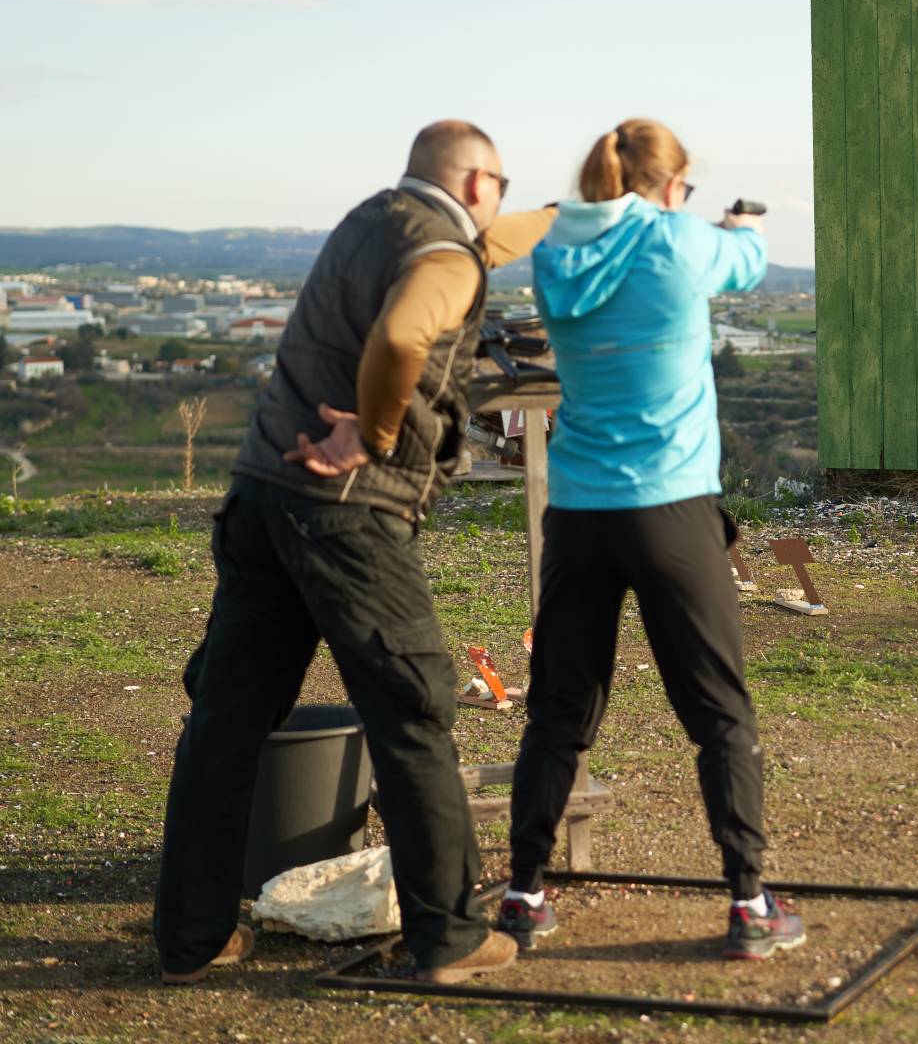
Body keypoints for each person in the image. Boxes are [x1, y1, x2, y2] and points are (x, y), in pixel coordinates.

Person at [153, 121, 549, 985]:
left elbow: (487, 244)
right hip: (345, 510)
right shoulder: (445, 257)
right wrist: (369, 436)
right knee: (413, 710)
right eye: (506, 187)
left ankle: (193, 937)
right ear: (480, 182)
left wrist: (576, 212)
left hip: (263, 495)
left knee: (228, 717)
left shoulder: (376, 219)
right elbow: (406, 338)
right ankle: (448, 935)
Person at [500, 119, 802, 960]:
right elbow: (745, 262)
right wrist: (738, 227)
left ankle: (523, 894)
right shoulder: (681, 240)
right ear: (670, 188)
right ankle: (748, 904)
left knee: (559, 713)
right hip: (672, 512)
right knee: (719, 717)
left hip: (580, 515)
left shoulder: (558, 251)